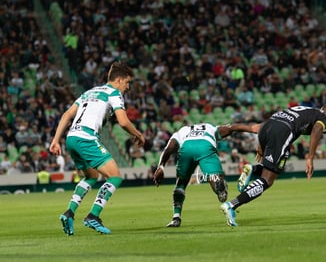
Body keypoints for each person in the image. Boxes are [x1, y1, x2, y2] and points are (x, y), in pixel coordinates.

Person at [49, 62, 145, 235]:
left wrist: (56, 140)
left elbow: (66, 115)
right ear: (118, 79)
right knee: (114, 177)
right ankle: (93, 215)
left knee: (91, 176)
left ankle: (69, 213)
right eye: (127, 82)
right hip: (86, 137)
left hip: (72, 138)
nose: (128, 87)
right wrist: (138, 134)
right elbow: (123, 122)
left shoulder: (88, 92)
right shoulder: (114, 93)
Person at [220, 104, 326, 226]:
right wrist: (310, 157)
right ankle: (231, 205)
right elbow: (317, 129)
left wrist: (257, 142)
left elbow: (257, 127)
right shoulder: (324, 117)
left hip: (267, 126)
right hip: (282, 132)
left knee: (276, 169)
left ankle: (253, 169)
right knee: (267, 180)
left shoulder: (306, 111)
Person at [153, 122, 259, 227]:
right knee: (217, 183)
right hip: (205, 146)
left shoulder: (181, 131)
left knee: (180, 183)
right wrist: (250, 128)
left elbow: (169, 148)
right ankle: (219, 187)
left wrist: (161, 167)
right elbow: (233, 127)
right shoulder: (210, 128)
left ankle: (176, 218)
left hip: (186, 148)